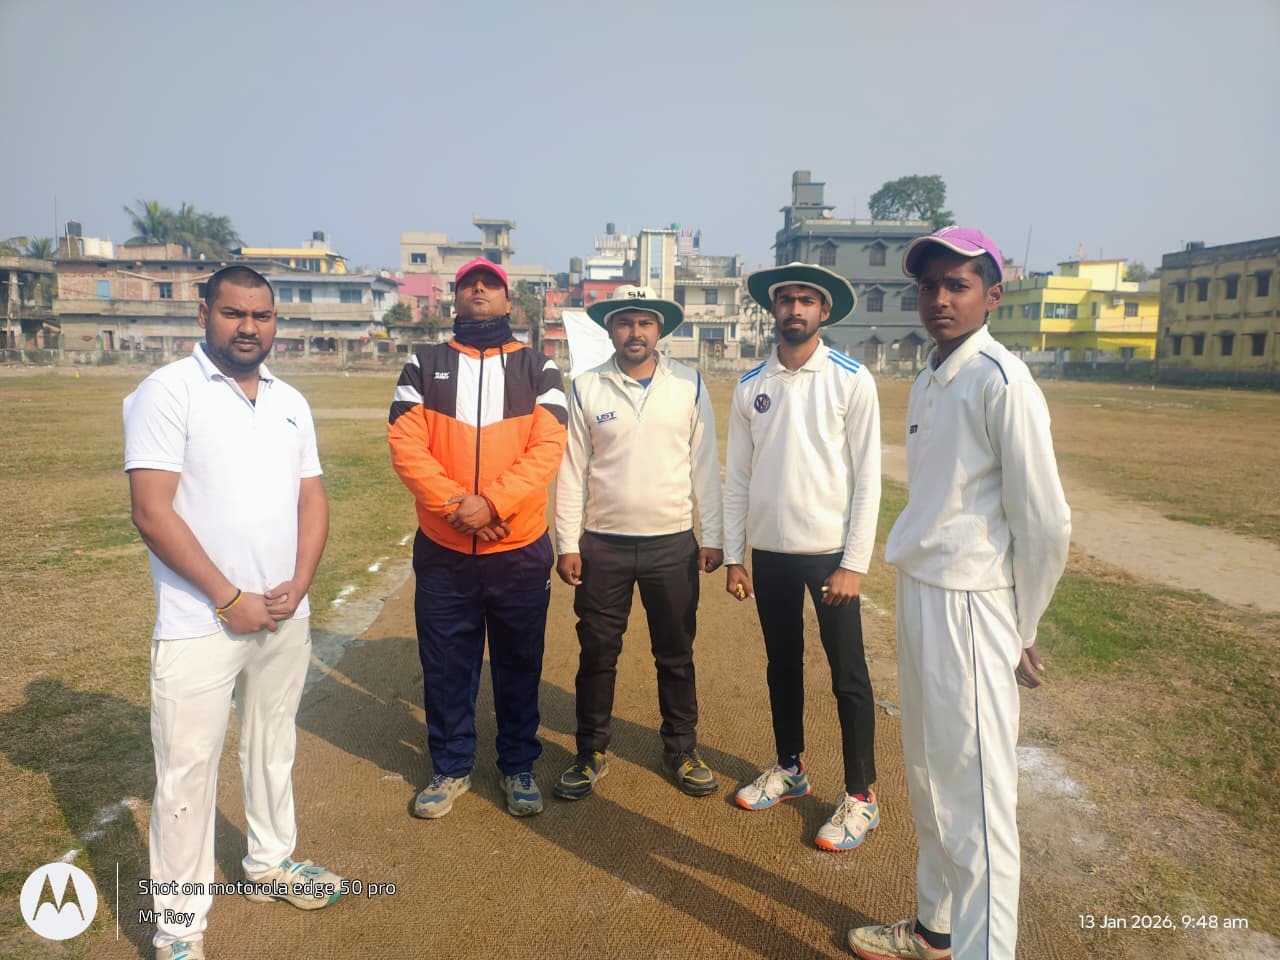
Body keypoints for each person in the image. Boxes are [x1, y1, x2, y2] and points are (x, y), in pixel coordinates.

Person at [847, 227, 1071, 960]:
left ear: (992, 296)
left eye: (957, 285)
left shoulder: (1001, 380)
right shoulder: (930, 375)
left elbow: (1045, 521)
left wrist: (1022, 626)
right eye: (928, 286)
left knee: (976, 798)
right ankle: (934, 930)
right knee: (928, 776)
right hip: (922, 590)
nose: (939, 299)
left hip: (974, 604)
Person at [124, 265, 342, 960]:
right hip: (200, 620)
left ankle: (271, 862)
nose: (249, 327)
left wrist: (300, 582)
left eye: (262, 315)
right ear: (204, 314)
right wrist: (228, 598)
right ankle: (179, 930)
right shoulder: (168, 391)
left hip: (283, 612)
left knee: (272, 745)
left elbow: (311, 497)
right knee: (186, 774)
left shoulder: (289, 400)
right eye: (234, 313)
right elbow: (151, 511)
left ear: (275, 321)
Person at [388, 257, 567, 820]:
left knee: (520, 663)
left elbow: (548, 448)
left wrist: (490, 504)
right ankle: (451, 767)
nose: (480, 290)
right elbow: (405, 444)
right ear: (456, 299)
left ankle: (518, 765)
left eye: (490, 284)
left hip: (518, 548)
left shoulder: (539, 367)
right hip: (445, 550)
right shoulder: (424, 363)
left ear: (508, 301)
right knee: (447, 664)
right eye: (470, 284)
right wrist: (457, 507)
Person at [723, 262, 883, 851]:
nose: (795, 308)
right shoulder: (750, 385)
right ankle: (790, 768)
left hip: (829, 556)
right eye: (786, 299)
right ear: (773, 308)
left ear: (824, 311)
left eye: (806, 300)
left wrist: (853, 564)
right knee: (782, 665)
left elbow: (868, 479)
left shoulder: (850, 378)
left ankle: (861, 795)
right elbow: (738, 478)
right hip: (771, 553)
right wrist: (737, 556)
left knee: (848, 676)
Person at [553, 285, 724, 800]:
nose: (635, 332)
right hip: (603, 545)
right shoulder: (586, 386)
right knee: (597, 653)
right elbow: (571, 470)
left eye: (645, 323)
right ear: (611, 330)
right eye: (625, 323)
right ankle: (590, 750)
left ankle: (681, 748)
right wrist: (567, 542)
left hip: (671, 544)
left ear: (659, 330)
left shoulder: (689, 384)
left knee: (675, 654)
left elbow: (705, 465)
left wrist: (713, 536)